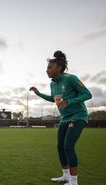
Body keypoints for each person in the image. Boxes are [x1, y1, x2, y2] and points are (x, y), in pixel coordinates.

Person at [29, 51, 92, 185]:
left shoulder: (71, 78)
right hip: (65, 118)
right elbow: (54, 99)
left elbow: (87, 94)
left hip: (78, 116)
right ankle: (65, 176)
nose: (47, 70)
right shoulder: (53, 84)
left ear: (59, 68)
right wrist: (38, 93)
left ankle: (74, 182)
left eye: (50, 67)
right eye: (47, 68)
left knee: (68, 146)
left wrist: (70, 101)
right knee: (60, 147)